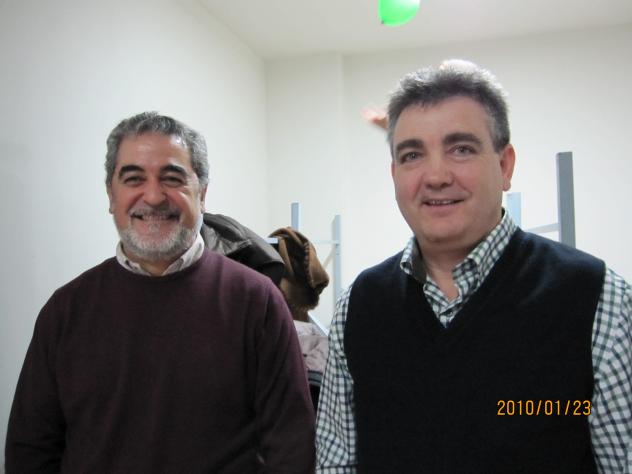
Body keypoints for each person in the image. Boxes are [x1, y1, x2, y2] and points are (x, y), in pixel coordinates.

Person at [316, 60, 631, 473]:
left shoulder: (596, 298)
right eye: (412, 155)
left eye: (461, 149)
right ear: (394, 174)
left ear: (504, 165)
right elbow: (337, 462)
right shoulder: (358, 306)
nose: (435, 176)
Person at [5, 112, 316, 473]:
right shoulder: (66, 311)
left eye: (172, 178)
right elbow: (31, 451)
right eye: (133, 178)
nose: (153, 197)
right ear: (111, 195)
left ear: (202, 194)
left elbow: (291, 446)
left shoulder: (257, 302)